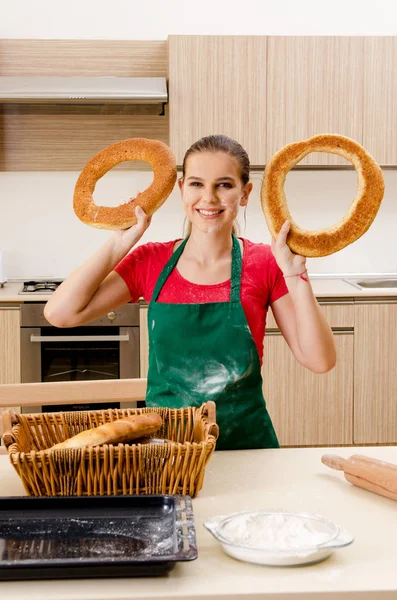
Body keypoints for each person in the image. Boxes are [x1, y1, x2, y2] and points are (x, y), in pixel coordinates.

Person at [44, 135, 336, 450]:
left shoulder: (266, 262)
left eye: (224, 185)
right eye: (197, 184)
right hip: (165, 451)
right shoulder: (150, 261)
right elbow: (60, 313)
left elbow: (319, 360)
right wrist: (118, 243)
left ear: (245, 193)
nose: (208, 198)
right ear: (182, 189)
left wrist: (295, 272)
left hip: (245, 447)